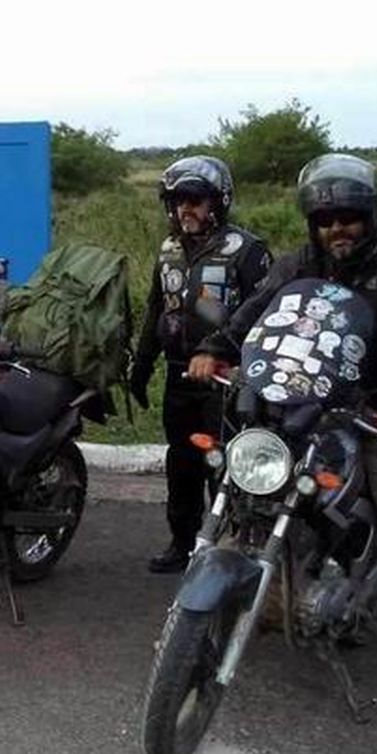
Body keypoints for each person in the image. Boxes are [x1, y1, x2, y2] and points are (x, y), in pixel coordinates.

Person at [187, 153, 377, 740]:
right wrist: (217, 345)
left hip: (369, 412)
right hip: (296, 409)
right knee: (237, 483)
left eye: (349, 217)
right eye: (327, 218)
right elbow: (255, 315)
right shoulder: (297, 263)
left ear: (370, 217)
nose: (338, 229)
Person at [130, 156, 270, 574]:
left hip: (225, 380)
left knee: (222, 465)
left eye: (196, 200)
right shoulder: (169, 249)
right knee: (182, 461)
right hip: (178, 374)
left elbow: (263, 315)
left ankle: (224, 547)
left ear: (218, 202)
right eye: (177, 201)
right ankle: (182, 540)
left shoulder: (247, 250)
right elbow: (159, 306)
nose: (185, 209)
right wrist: (142, 363)